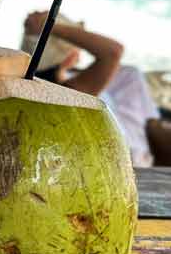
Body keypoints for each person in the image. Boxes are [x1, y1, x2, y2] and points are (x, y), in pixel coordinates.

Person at [23, 12, 161, 167]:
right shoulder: (69, 91)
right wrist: (49, 26)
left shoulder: (46, 84)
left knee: (130, 73)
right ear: (71, 57)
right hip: (129, 163)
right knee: (131, 74)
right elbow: (113, 51)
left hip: (127, 154)